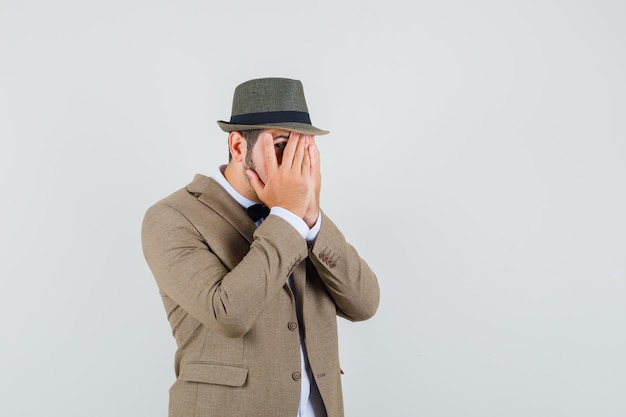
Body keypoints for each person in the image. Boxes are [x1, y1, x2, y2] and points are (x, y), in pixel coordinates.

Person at [141, 77, 380, 417]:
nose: (297, 164)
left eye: (305, 147)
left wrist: (310, 220)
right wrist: (287, 216)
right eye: (283, 145)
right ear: (238, 147)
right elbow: (228, 314)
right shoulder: (172, 217)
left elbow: (365, 304)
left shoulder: (302, 216)